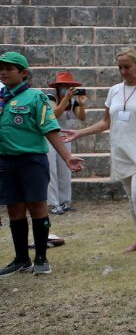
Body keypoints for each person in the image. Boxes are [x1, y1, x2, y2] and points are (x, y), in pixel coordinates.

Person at [62, 47, 136, 257]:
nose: (122, 71)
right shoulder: (114, 90)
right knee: (131, 197)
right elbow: (105, 122)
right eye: (119, 67)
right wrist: (79, 133)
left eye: (126, 67)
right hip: (121, 149)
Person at [0, 52, 84, 276]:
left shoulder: (36, 98)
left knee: (37, 207)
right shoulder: (0, 98)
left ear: (24, 73)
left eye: (9, 68)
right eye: (1, 68)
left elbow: (49, 128)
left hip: (31, 161)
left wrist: (67, 157)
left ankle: (41, 258)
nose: (3, 72)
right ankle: (21, 259)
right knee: (14, 209)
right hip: (6, 162)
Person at [46, 71, 88, 215]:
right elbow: (54, 115)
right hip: (50, 137)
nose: (65, 88)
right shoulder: (50, 97)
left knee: (65, 171)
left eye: (68, 85)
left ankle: (65, 201)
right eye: (62, 85)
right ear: (57, 87)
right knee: (51, 170)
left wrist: (81, 104)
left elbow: (82, 117)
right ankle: (53, 203)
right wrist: (65, 99)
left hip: (65, 138)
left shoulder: (73, 101)